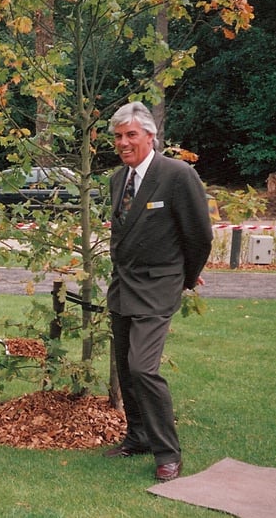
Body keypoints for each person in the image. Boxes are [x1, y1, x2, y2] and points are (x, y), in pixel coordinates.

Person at [105, 102, 213, 482]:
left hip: (159, 284)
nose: (124, 142)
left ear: (151, 136)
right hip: (123, 286)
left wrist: (186, 277)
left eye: (131, 134)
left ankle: (168, 452)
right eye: (118, 136)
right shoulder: (119, 179)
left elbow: (200, 235)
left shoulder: (178, 175)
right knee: (125, 365)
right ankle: (137, 437)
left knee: (142, 367)